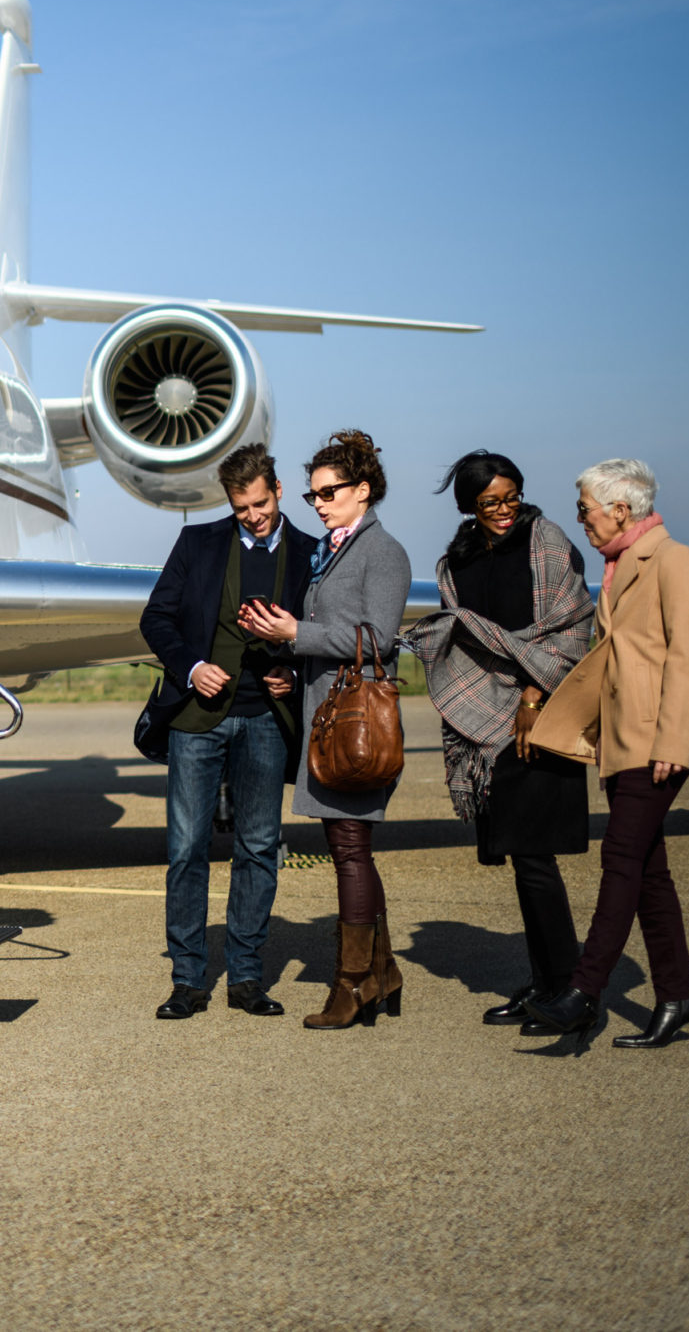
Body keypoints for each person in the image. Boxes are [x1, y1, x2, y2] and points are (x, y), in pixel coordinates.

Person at [523, 459, 689, 1048]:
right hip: (624, 742)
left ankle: (584, 992)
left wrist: (674, 743)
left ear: (621, 510)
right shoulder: (619, 565)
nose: (580, 519)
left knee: (621, 861)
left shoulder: (675, 561)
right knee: (649, 874)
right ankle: (677, 997)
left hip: (658, 744)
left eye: (585, 509)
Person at [408, 452, 595, 1030]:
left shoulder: (548, 541)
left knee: (537, 860)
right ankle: (544, 983)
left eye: (511, 497)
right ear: (469, 506)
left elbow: (573, 628)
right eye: (491, 502)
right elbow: (461, 638)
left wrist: (534, 699)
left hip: (541, 720)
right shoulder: (455, 562)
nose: (504, 510)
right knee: (520, 858)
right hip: (485, 728)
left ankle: (569, 992)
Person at [238, 429, 413, 1030]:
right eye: (313, 495)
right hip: (328, 716)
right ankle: (381, 973)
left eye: (329, 492)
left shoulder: (381, 552)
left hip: (355, 726)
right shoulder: (336, 549)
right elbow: (334, 633)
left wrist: (296, 636)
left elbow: (379, 640)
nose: (318, 503)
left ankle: (354, 983)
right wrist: (291, 660)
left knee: (349, 849)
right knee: (350, 846)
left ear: (363, 491)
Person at [138, 443, 317, 1020]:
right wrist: (192, 665)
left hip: (267, 719)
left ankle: (245, 978)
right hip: (196, 721)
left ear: (279, 491)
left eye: (260, 504)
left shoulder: (311, 554)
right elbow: (155, 618)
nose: (253, 516)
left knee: (259, 847)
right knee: (186, 849)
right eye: (242, 508)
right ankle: (187, 981)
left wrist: (293, 670)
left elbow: (320, 634)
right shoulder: (198, 543)